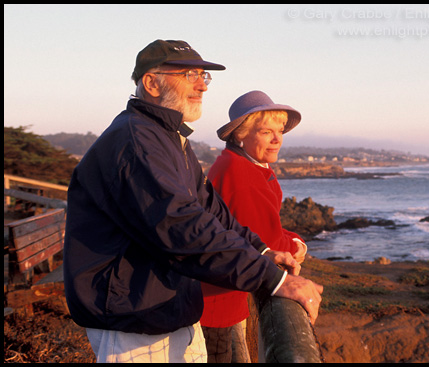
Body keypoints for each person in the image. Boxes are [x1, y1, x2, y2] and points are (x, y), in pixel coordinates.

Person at [63, 39, 323, 363]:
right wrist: (272, 279)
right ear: (151, 83)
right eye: (189, 74)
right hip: (134, 318)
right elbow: (180, 224)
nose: (202, 84)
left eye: (204, 76)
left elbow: (213, 213)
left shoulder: (171, 139)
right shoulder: (137, 142)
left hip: (167, 309)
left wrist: (264, 252)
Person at [200, 90, 308, 363]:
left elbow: (262, 227)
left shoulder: (243, 164)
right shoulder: (240, 173)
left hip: (225, 292)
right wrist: (297, 246)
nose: (277, 139)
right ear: (240, 134)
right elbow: (264, 240)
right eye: (265, 132)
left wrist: (294, 239)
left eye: (280, 130)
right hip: (217, 300)